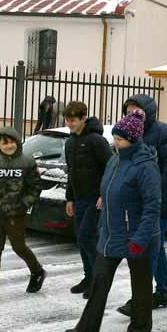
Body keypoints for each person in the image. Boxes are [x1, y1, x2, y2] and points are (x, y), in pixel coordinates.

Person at [66, 109, 161, 332]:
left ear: (133, 139)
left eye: (119, 139)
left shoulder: (145, 166)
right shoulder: (115, 161)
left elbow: (152, 207)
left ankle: (141, 324)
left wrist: (140, 239)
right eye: (115, 138)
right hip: (112, 232)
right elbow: (107, 190)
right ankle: (88, 324)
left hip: (138, 235)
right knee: (99, 279)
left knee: (140, 283)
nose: (114, 142)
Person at [117, 94, 167, 317]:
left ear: (148, 111)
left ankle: (140, 299)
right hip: (139, 203)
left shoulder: (163, 132)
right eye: (128, 110)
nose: (131, 114)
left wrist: (154, 193)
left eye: (136, 109)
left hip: (161, 203)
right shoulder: (129, 133)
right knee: (158, 246)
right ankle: (163, 291)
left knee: (148, 246)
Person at [0, 127, 46, 304]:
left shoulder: (27, 162)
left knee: (19, 247)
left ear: (17, 142)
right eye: (4, 143)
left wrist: (24, 204)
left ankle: (37, 271)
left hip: (16, 215)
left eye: (12, 141)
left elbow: (35, 187)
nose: (9, 145)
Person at [63, 101, 112, 299]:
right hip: (79, 198)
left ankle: (97, 281)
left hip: (95, 199)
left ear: (83, 118)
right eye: (67, 119)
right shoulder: (70, 142)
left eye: (73, 120)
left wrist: (104, 195)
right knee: (81, 238)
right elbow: (71, 173)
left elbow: (109, 169)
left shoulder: (96, 141)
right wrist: (70, 198)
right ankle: (88, 276)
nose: (69, 124)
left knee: (87, 237)